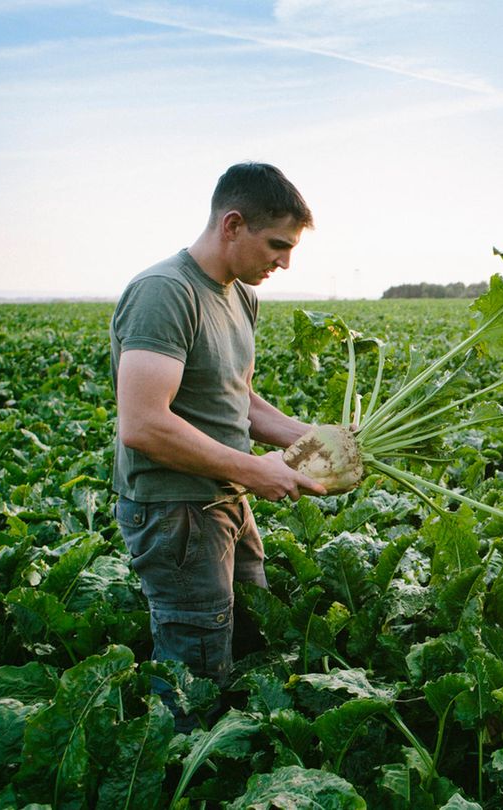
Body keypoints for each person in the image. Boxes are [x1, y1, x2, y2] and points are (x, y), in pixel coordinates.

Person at [109, 162, 330, 729]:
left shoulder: (240, 296)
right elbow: (143, 424)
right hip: (176, 510)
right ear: (232, 224)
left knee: (252, 634)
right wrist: (255, 471)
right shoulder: (166, 292)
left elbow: (242, 402)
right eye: (277, 245)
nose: (284, 262)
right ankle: (178, 767)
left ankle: (237, 762)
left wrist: (317, 442)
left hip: (226, 498)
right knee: (195, 669)